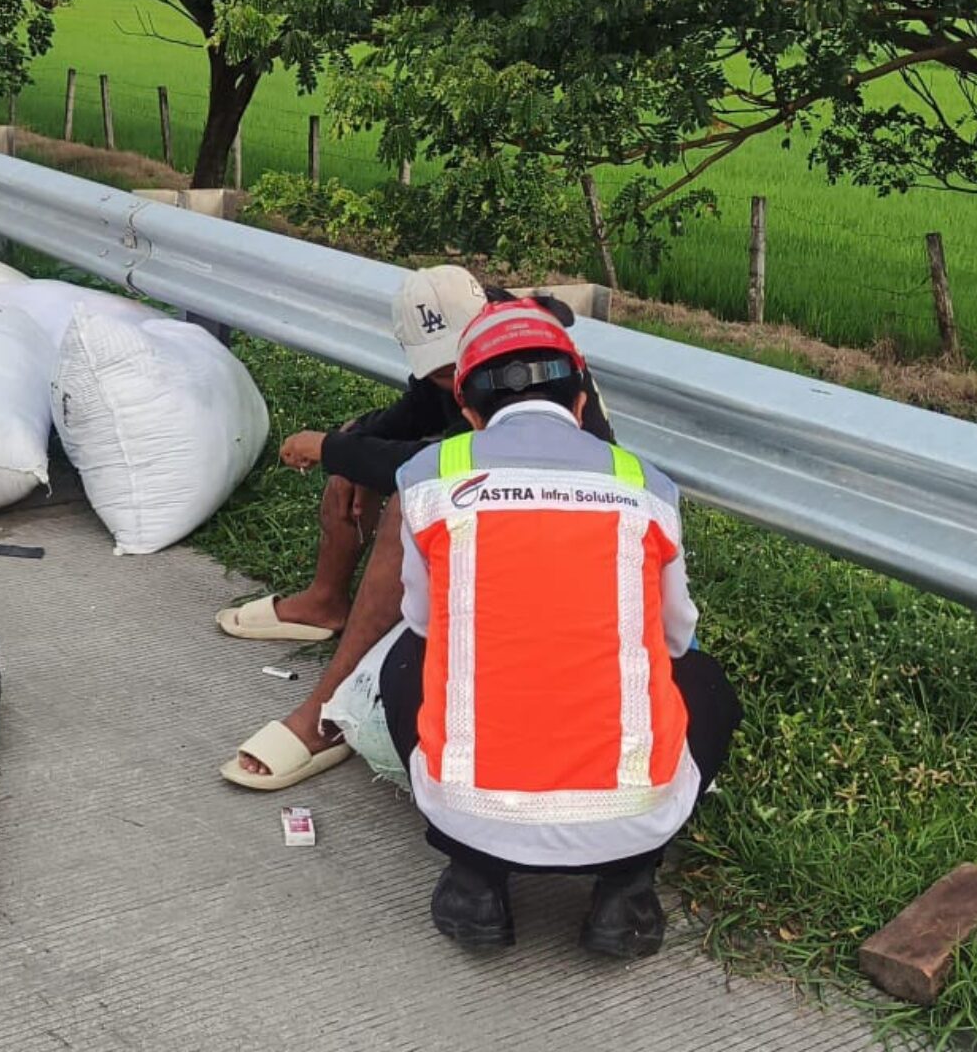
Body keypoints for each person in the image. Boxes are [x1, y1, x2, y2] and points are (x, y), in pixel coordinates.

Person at [379, 301, 737, 958]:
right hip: (631, 817)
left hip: (471, 812)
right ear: (580, 402)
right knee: (704, 679)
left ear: (469, 413)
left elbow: (424, 620)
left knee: (405, 661)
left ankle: (475, 877)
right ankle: (626, 886)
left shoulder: (430, 477)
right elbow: (676, 635)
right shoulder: (645, 485)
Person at [216, 267, 614, 791]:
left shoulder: (525, 358)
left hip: (551, 526)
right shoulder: (456, 364)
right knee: (358, 453)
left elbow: (445, 465)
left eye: (456, 366)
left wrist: (335, 449)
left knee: (410, 494)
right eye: (438, 369)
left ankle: (325, 713)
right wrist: (347, 447)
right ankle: (325, 601)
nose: (450, 378)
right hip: (491, 502)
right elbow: (415, 419)